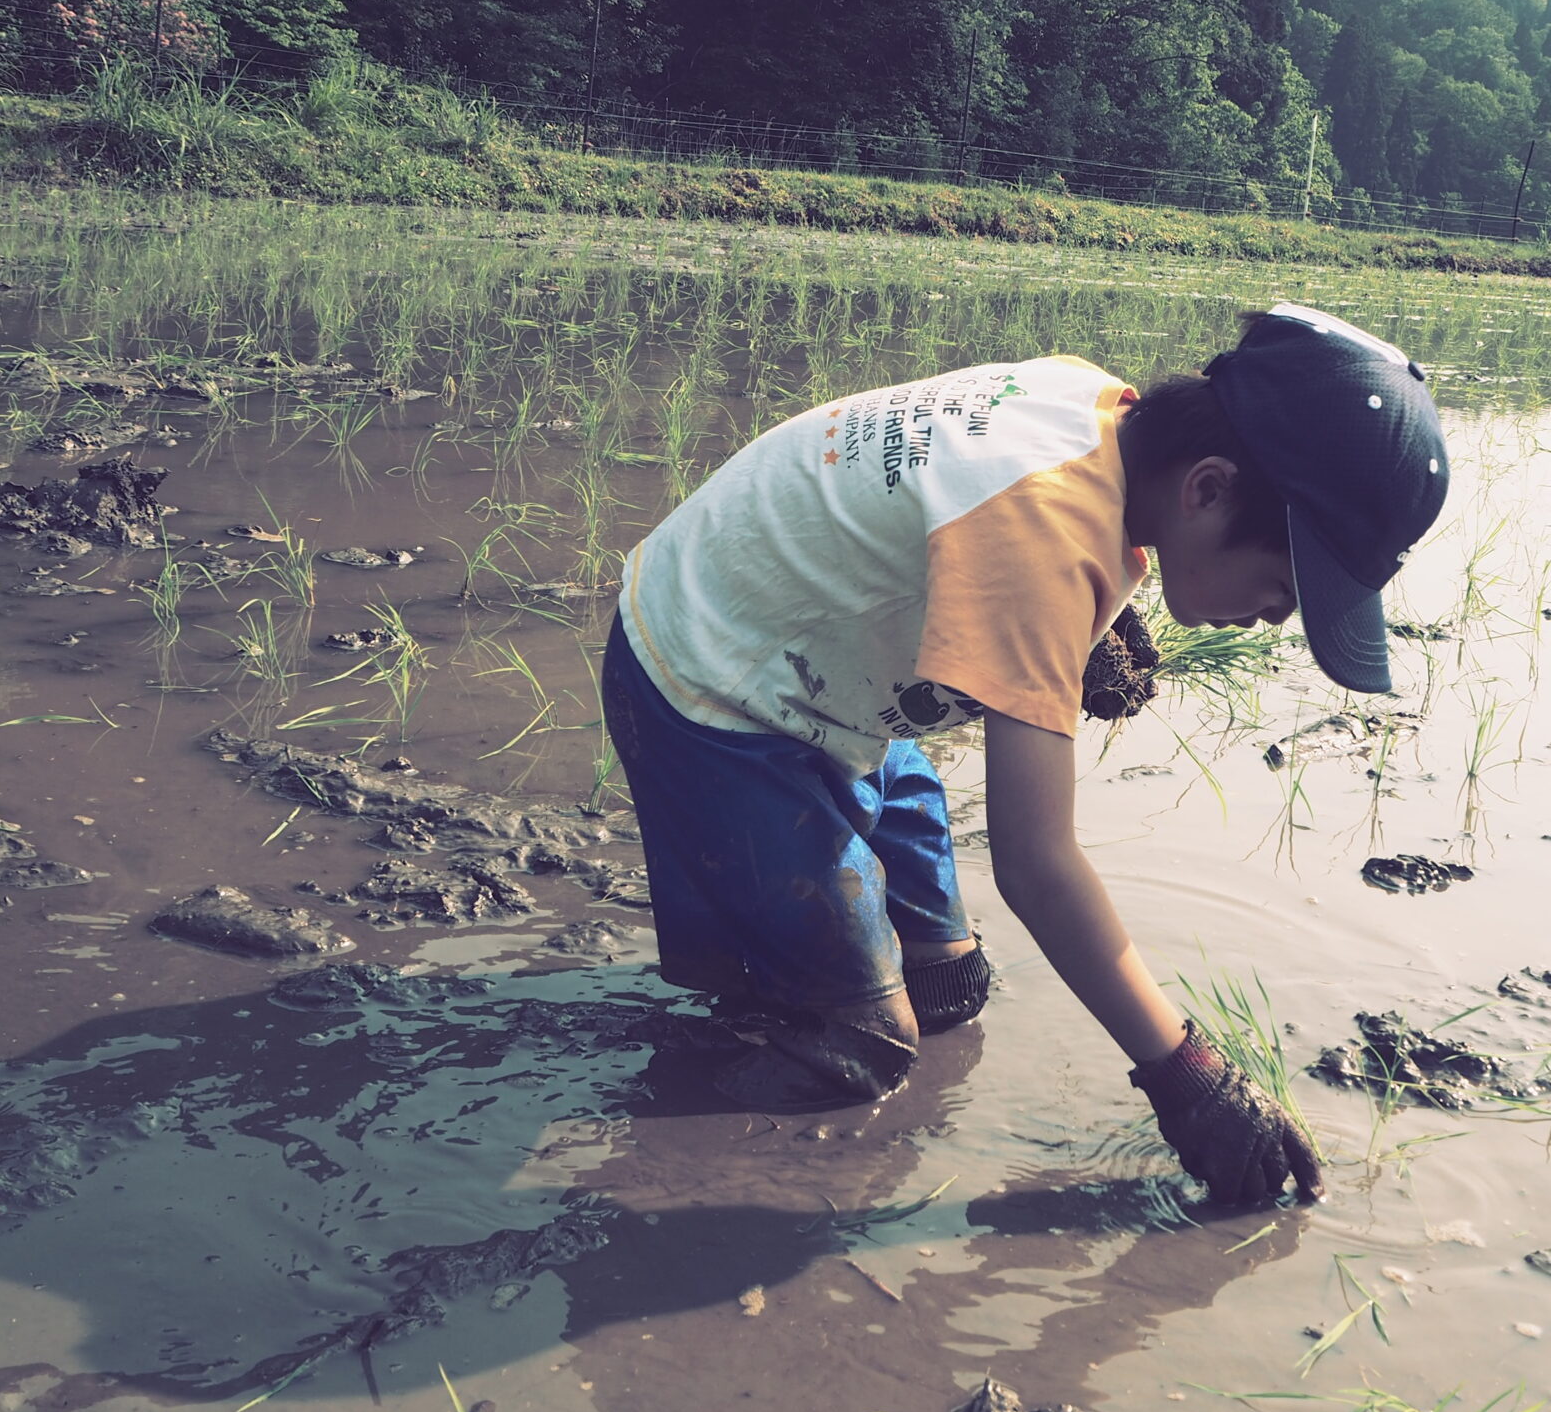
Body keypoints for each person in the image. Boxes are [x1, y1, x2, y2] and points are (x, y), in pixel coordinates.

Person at [600, 303, 1449, 1206]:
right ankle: (655, 1137)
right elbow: (1038, 868)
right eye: (1284, 588)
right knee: (866, 1049)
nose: (1278, 617)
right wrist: (1184, 1073)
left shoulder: (1096, 404)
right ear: (1207, 487)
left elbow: (976, 500)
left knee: (948, 984)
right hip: (711, 686)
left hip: (825, 675)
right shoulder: (1040, 550)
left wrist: (1099, 617)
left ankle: (781, 981)